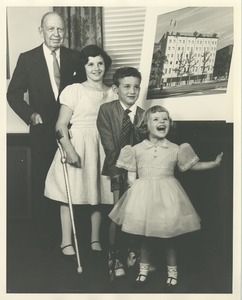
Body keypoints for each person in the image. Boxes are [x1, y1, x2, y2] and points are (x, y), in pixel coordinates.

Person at [109, 105, 223, 288]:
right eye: (156, 119)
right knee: (145, 235)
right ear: (145, 125)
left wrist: (213, 164)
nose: (161, 122)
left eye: (165, 119)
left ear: (170, 123)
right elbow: (131, 175)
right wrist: (132, 195)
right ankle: (143, 270)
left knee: (170, 236)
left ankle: (172, 272)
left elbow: (191, 165)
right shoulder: (136, 149)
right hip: (144, 196)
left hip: (168, 196)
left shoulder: (176, 148)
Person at [7, 11, 83, 250]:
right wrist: (30, 114)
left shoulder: (75, 57)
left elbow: (83, 90)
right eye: (51, 29)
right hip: (41, 133)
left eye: (60, 29)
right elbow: (13, 94)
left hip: (71, 131)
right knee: (44, 182)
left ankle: (69, 238)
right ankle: (45, 239)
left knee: (73, 180)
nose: (56, 34)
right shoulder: (27, 58)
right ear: (41, 31)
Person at [44, 44, 117, 260]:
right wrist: (69, 150)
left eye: (100, 63)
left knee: (98, 192)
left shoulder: (112, 92)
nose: (96, 68)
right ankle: (66, 240)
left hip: (102, 146)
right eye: (91, 64)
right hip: (77, 145)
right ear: (84, 67)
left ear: (106, 65)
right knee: (69, 194)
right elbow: (60, 125)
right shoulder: (75, 90)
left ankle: (95, 238)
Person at [96, 67, 144, 278]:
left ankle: (134, 250)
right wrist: (121, 173)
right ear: (116, 89)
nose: (132, 91)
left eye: (136, 87)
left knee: (137, 213)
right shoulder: (107, 110)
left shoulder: (143, 115)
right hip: (117, 168)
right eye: (127, 87)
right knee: (117, 213)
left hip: (140, 174)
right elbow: (109, 147)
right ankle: (113, 256)